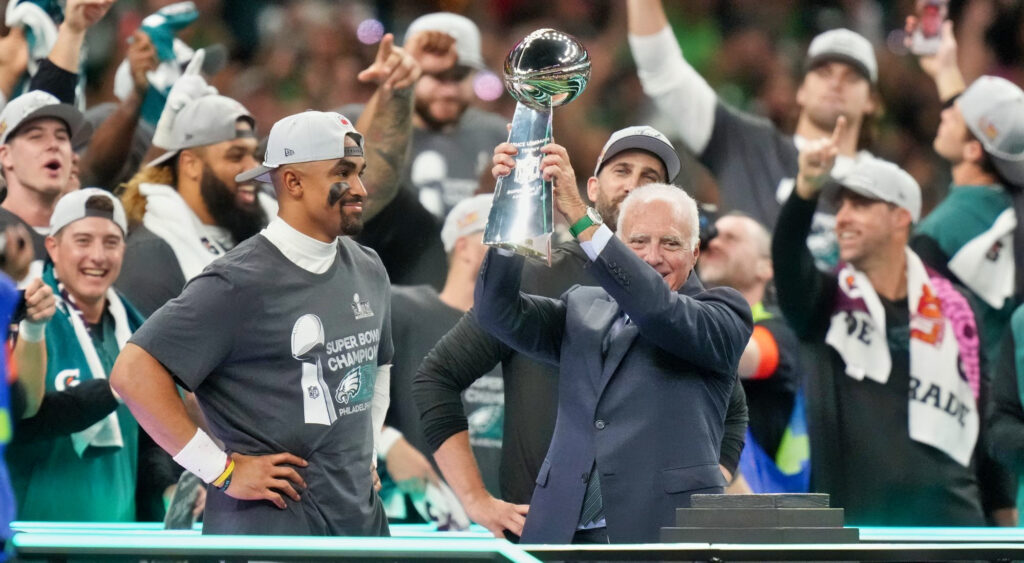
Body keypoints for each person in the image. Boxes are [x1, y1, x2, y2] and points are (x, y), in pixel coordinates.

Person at [414, 126, 750, 542]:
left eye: (670, 243)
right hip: (556, 532)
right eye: (639, 242)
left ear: (695, 251)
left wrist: (701, 479)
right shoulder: (582, 305)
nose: (652, 256)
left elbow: (654, 309)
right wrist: (515, 201)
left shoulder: (724, 310)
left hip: (662, 536)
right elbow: (497, 313)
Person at [110, 110, 394, 536]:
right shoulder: (237, 281)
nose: (360, 189)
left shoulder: (368, 266)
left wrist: (365, 455)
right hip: (269, 532)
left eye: (360, 173)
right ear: (293, 182)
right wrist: (220, 471)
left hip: (361, 526)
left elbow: (380, 366)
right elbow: (131, 374)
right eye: (343, 172)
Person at [772, 118, 1012, 525]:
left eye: (861, 204)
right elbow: (787, 257)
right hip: (857, 535)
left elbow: (983, 416)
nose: (843, 217)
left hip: (953, 532)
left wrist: (1003, 517)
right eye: (841, 204)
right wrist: (806, 190)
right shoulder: (822, 303)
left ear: (901, 217)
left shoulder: (958, 309)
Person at [117, 35, 418, 316]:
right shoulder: (154, 251)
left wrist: (397, 92)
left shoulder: (263, 211)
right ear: (191, 164)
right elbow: (144, 366)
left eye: (252, 152)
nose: (252, 167)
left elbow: (366, 184)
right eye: (236, 156)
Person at [627, 0, 880, 268]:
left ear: (872, 101)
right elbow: (663, 73)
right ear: (801, 90)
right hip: (742, 308)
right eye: (823, 72)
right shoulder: (746, 143)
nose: (836, 83)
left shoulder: (885, 187)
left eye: (852, 77)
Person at [6, 188, 147, 522]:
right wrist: (33, 330)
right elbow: (22, 414)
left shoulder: (139, 329)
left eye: (111, 242)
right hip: (38, 545)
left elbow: (152, 440)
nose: (98, 256)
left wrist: (167, 490)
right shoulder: (24, 317)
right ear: (53, 247)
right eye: (83, 241)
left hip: (118, 546)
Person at [345, 14, 507, 289]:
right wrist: (395, 85)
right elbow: (362, 183)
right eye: (435, 76)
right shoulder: (353, 122)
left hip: (473, 290)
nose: (447, 90)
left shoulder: (498, 134)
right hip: (381, 282)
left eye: (459, 76)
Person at [907, 23, 1024, 365]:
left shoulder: (937, 231)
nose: (944, 114)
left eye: (953, 117)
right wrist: (946, 71)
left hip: (973, 399)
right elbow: (991, 135)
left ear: (973, 151)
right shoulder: (1015, 197)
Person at [381, 194, 500, 521]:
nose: (515, 251)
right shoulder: (403, 311)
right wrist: (385, 442)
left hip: (505, 524)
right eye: (500, 238)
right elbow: (345, 387)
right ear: (463, 246)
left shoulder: (526, 325)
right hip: (421, 521)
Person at [699, 213, 809, 493]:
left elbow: (739, 356)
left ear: (766, 268)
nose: (714, 244)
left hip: (755, 506)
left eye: (731, 238)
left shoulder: (778, 330)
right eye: (711, 236)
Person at [0, 89, 87, 279]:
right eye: (36, 136)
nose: (53, 145)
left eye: (62, 137)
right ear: (5, 155)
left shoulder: (89, 238)